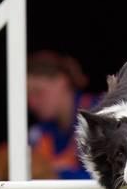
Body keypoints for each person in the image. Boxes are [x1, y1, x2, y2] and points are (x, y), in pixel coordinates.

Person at [26, 50, 99, 179]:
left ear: (62, 82)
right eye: (27, 96)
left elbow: (113, 176)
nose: (31, 103)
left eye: (38, 92)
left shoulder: (102, 115)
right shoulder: (40, 131)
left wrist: (53, 174)